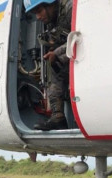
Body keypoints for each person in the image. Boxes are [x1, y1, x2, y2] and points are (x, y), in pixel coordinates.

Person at [24, 0, 72, 130]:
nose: (38, 17)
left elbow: (85, 37)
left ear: (51, 3)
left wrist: (57, 53)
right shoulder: (52, 21)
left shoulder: (71, 8)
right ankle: (58, 117)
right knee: (54, 65)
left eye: (39, 11)